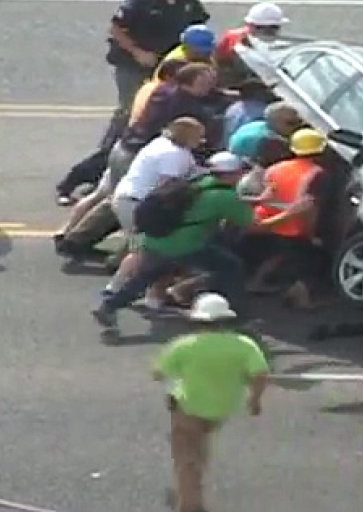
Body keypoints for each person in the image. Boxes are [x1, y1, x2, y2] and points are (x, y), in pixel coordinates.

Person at [54, 63, 217, 259]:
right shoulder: (186, 107)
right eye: (204, 82)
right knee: (129, 201)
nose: (210, 85)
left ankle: (75, 239)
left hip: (126, 147)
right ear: (188, 83)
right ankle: (106, 250)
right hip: (134, 155)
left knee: (113, 197)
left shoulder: (164, 91)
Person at [92, 151, 253, 339]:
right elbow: (250, 222)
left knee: (145, 277)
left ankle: (110, 305)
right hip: (186, 246)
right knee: (231, 266)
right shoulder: (225, 197)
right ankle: (235, 313)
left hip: (156, 241)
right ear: (231, 174)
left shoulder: (194, 185)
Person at [154, 292, 269, 512]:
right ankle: (196, 479)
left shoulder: (184, 345)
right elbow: (260, 374)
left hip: (188, 407)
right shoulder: (244, 345)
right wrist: (254, 400)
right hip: (221, 408)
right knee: (201, 442)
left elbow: (159, 373)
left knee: (185, 457)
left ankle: (190, 504)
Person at [103, 0, 209, 171]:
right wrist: (137, 52)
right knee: (130, 109)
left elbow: (199, 26)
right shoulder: (140, 1)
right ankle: (109, 152)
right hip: (134, 64)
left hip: (169, 64)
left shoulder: (188, 1)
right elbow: (116, 28)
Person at [55, 58, 190, 206]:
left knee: (107, 175)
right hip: (132, 132)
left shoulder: (159, 88)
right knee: (102, 161)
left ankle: (82, 188)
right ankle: (67, 185)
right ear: (169, 76)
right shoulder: (160, 91)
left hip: (134, 132)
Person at [105, 117, 206, 306]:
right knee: (142, 250)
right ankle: (115, 289)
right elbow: (167, 187)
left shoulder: (163, 144)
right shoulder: (173, 155)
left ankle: (138, 291)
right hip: (136, 203)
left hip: (127, 197)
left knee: (142, 248)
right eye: (198, 136)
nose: (202, 140)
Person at [241, 128, 334, 307]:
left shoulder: (276, 168)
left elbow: (266, 195)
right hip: (292, 226)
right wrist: (311, 234)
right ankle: (301, 298)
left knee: (278, 256)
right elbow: (309, 208)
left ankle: (258, 282)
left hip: (264, 219)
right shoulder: (318, 174)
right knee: (307, 261)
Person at [227, 100, 303, 163]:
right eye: (291, 123)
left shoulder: (258, 124)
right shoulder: (271, 141)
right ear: (276, 121)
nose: (297, 126)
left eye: (299, 121)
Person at [215, 2, 289, 63]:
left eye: (274, 27)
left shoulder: (286, 45)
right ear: (250, 25)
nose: (268, 31)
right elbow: (219, 60)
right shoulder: (233, 38)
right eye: (261, 27)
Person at [221, 78, 278, 145]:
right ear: (257, 93)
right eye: (265, 90)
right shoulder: (263, 112)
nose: (270, 93)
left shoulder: (233, 108)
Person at [153, 24, 217, 79]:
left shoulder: (206, 59)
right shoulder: (174, 65)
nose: (206, 55)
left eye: (208, 51)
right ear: (187, 47)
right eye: (200, 52)